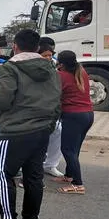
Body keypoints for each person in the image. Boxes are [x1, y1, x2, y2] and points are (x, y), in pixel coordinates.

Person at [0, 29, 61, 219]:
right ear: (37, 48)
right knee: (34, 177)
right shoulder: (51, 68)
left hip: (14, 131)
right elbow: (57, 101)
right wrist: (49, 125)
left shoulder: (11, 67)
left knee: (3, 174)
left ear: (15, 46)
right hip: (42, 130)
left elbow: (2, 101)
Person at [54, 50, 94, 195]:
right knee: (74, 148)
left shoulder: (60, 75)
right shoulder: (81, 71)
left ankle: (78, 184)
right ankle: (69, 175)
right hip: (88, 115)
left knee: (68, 149)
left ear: (61, 63)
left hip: (73, 115)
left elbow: (55, 93)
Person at [39, 38, 64, 178]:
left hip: (52, 109)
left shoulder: (55, 65)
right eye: (45, 55)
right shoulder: (30, 67)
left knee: (57, 132)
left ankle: (50, 165)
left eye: (50, 55)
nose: (48, 58)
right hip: (37, 109)